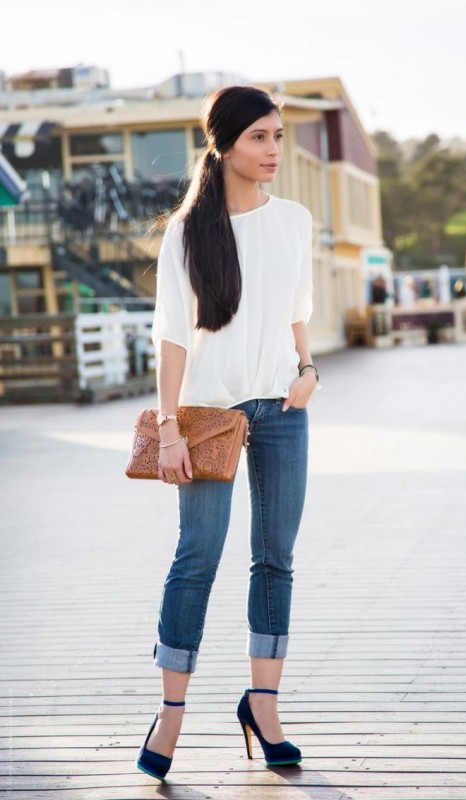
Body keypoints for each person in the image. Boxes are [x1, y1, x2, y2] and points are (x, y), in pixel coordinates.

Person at [136, 86, 318, 782]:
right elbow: (172, 337)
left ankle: (263, 707)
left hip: (282, 409)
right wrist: (169, 427)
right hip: (207, 413)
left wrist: (308, 369)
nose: (273, 150)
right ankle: (171, 713)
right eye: (259, 138)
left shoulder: (293, 220)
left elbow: (296, 309)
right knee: (197, 557)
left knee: (275, 558)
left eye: (278, 136)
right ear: (225, 145)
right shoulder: (187, 232)